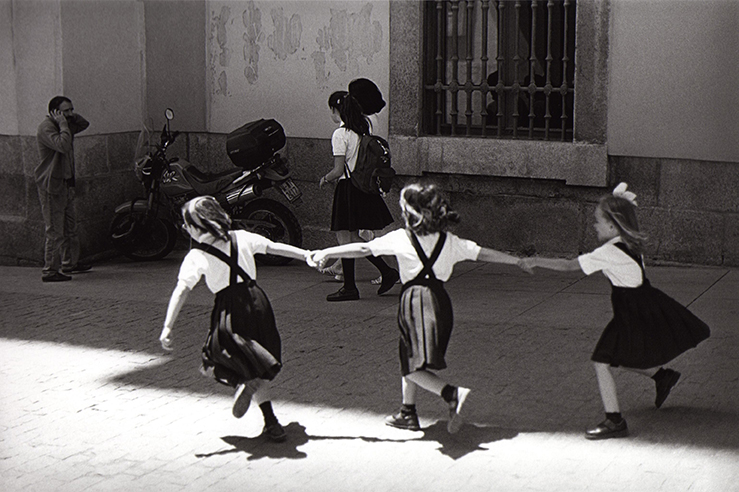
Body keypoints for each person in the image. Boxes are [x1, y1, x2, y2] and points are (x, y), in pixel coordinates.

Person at [309, 183, 530, 433]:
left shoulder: (401, 238)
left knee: (410, 365)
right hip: (441, 304)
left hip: (415, 303)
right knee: (411, 356)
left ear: (410, 213)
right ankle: (408, 412)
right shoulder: (449, 241)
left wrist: (328, 251)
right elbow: (482, 253)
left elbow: (363, 248)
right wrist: (517, 260)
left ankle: (452, 393)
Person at [522, 183, 711, 440]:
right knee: (618, 355)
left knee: (602, 361)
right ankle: (662, 376)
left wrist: (535, 260)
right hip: (643, 305)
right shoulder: (627, 242)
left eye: (598, 221)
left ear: (612, 225)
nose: (594, 226)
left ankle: (614, 421)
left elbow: (569, 266)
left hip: (633, 311)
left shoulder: (609, 251)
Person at [159, 196, 310, 442]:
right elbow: (273, 247)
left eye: (186, 225)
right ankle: (270, 421)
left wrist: (167, 326)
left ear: (198, 227)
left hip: (229, 307)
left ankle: (245, 384)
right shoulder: (243, 237)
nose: (185, 230)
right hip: (258, 302)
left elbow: (182, 290)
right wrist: (306, 255)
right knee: (256, 360)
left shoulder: (197, 254)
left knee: (215, 355)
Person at [318, 91, 399, 302]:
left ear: (337, 110)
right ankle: (381, 274)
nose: (331, 114)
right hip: (361, 187)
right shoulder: (360, 130)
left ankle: (351, 287)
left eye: (331, 110)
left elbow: (337, 170)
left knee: (346, 239)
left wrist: (325, 179)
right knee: (351, 238)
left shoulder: (340, 134)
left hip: (347, 189)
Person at [35, 96, 91, 282]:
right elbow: (63, 145)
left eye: (71, 110)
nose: (70, 114)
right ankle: (50, 270)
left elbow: (84, 124)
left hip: (66, 185)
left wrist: (69, 118)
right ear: (55, 112)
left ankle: (70, 263)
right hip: (52, 186)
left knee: (70, 228)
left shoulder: (66, 124)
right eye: (65, 111)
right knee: (55, 231)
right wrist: (63, 123)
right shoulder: (47, 127)